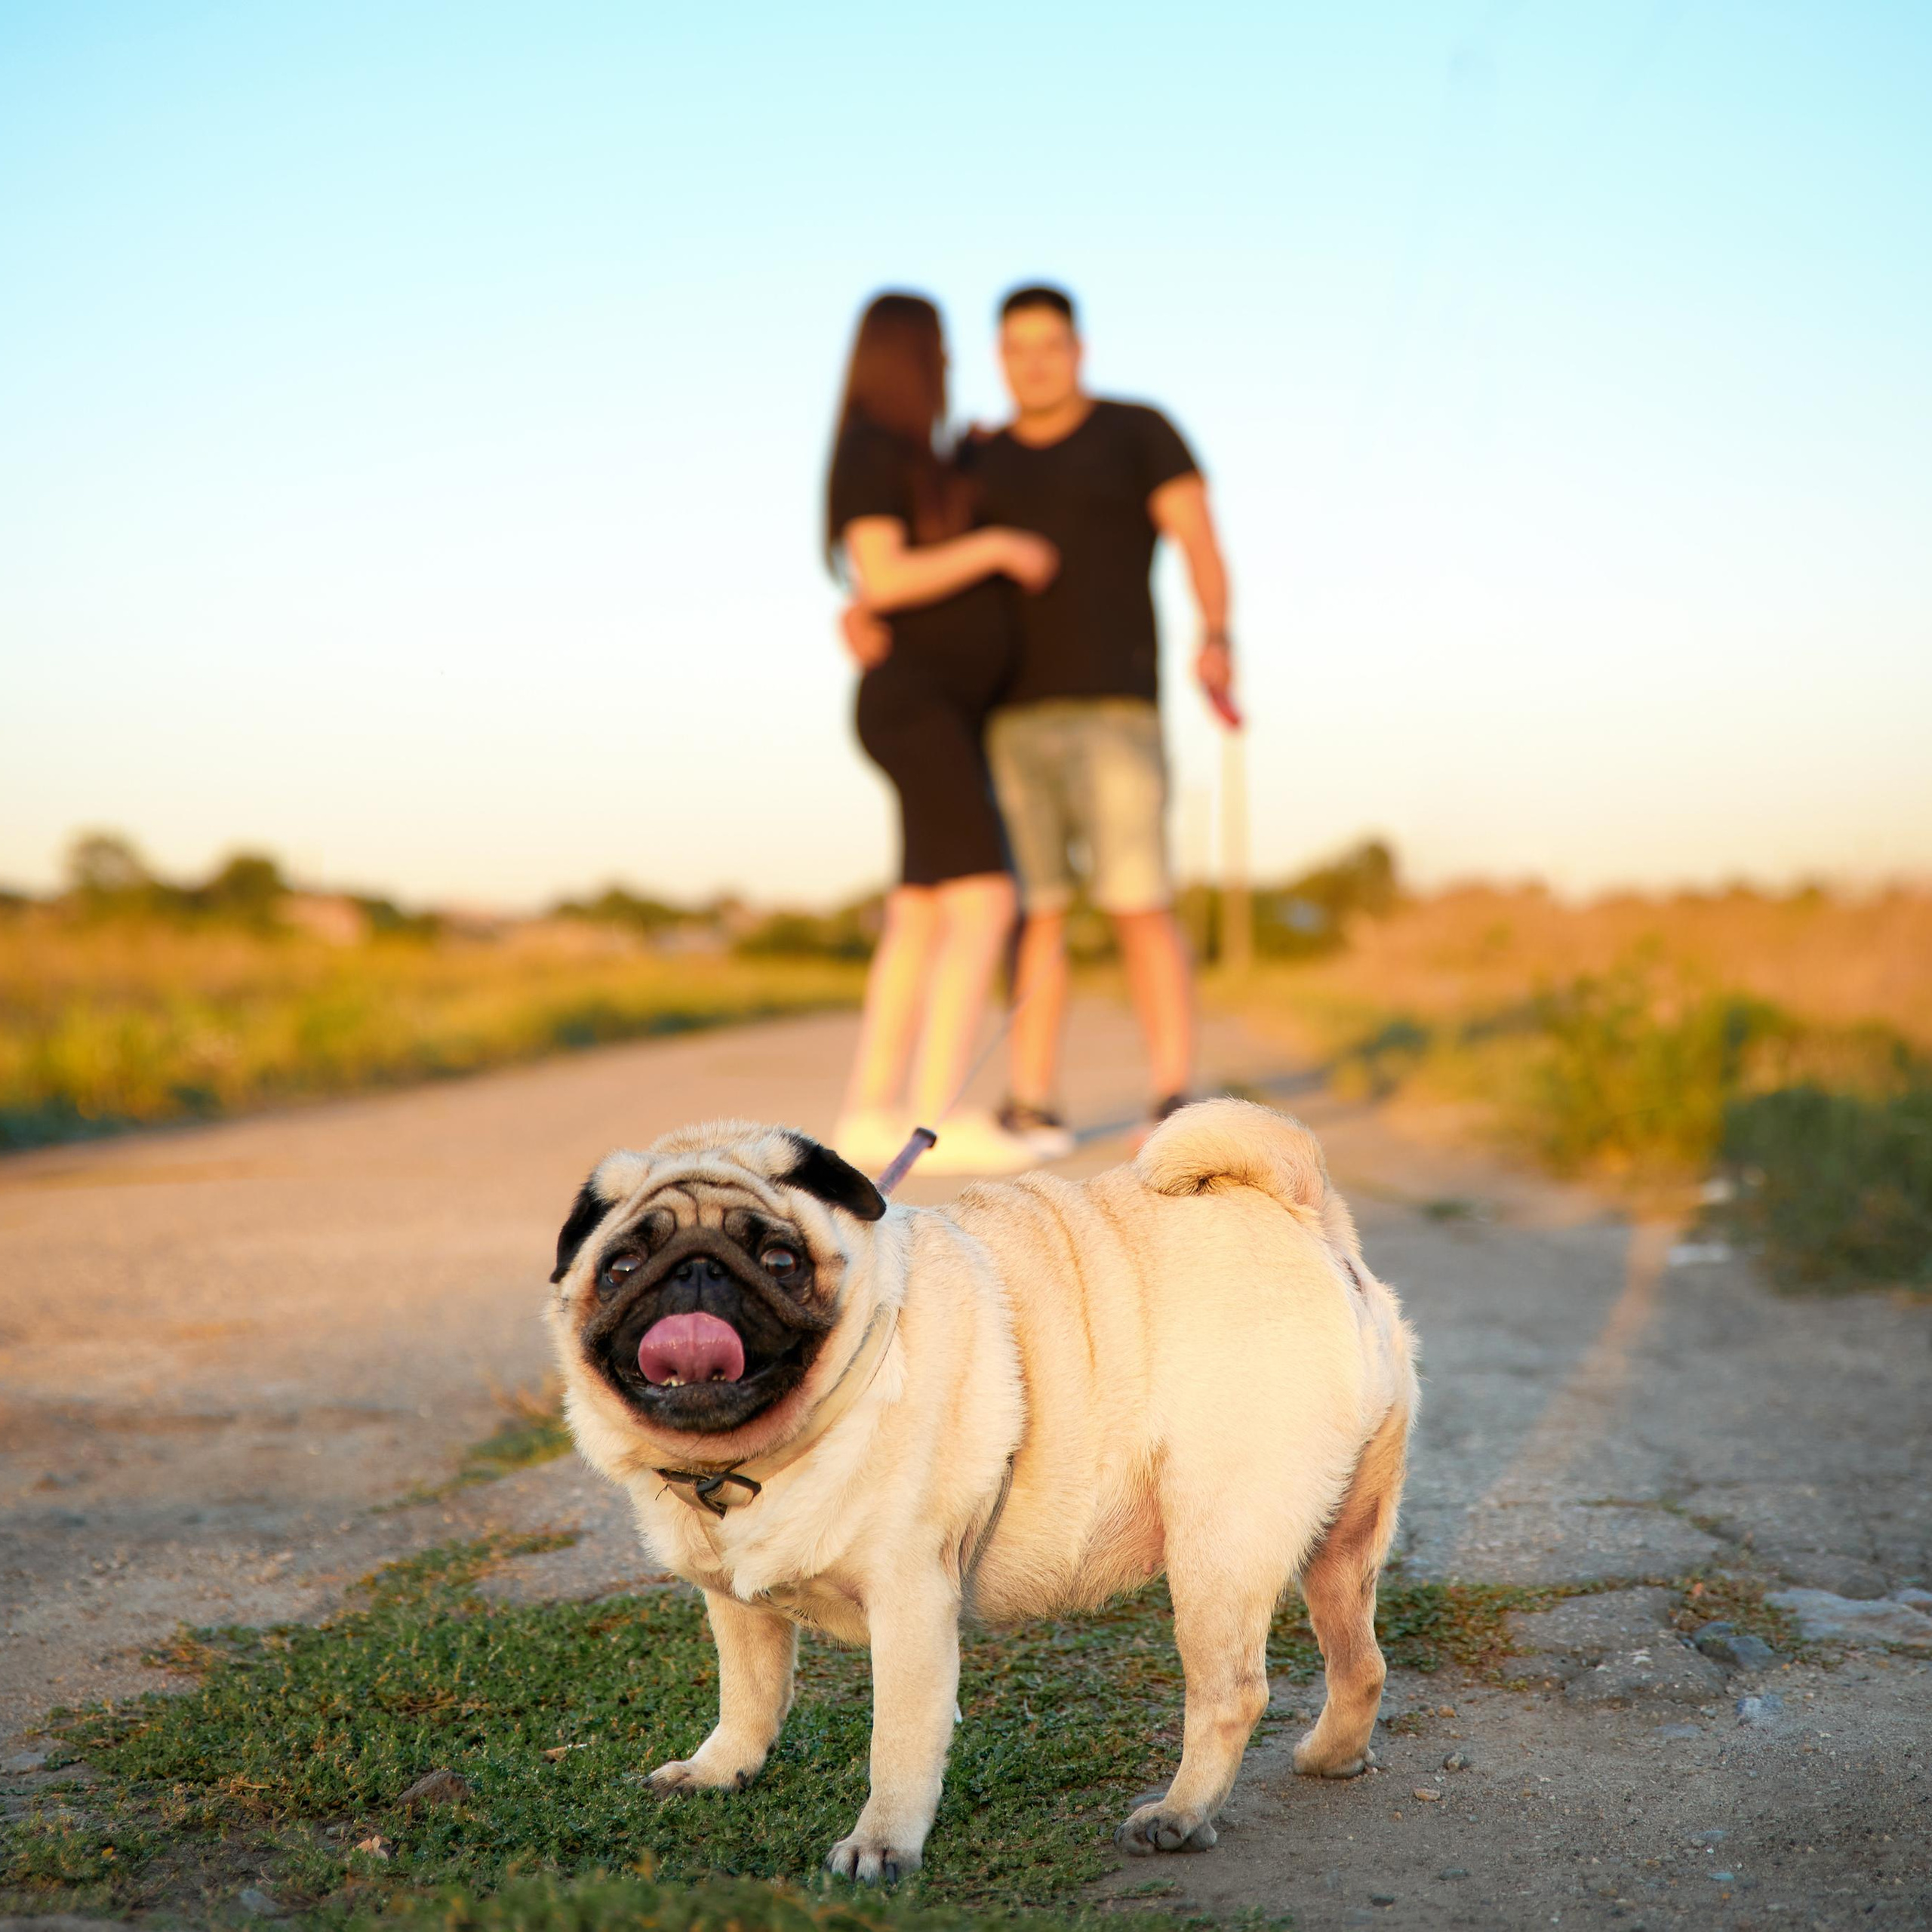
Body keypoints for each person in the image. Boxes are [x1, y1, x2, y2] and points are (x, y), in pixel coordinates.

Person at [971, 283, 1233, 1154]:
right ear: (1000, 358)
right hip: (1008, 711)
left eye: (1050, 344)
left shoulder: (1137, 430)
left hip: (1116, 705)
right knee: (1036, 911)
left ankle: (1172, 1093)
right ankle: (1032, 1099)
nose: (1035, 362)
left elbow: (1197, 536)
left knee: (1137, 899)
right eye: (1017, 348)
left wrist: (1216, 635)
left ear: (1077, 348)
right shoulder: (976, 457)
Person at [824, 293, 1057, 1176]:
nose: (954, 364)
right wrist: (996, 548)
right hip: (912, 704)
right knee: (985, 900)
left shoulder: (921, 455)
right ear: (911, 356)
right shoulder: (871, 448)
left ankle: (868, 1112)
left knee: (920, 913)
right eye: (943, 350)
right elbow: (881, 572)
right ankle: (936, 1121)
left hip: (930, 705)